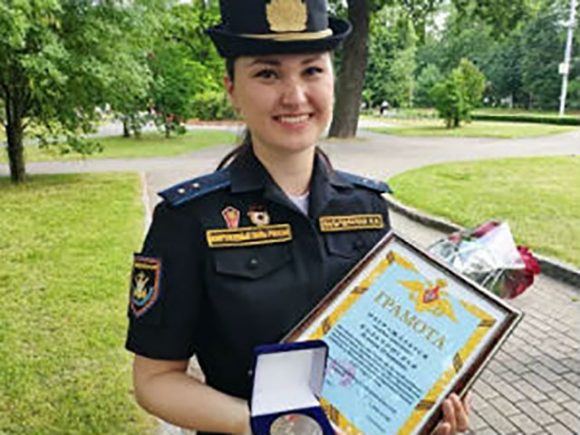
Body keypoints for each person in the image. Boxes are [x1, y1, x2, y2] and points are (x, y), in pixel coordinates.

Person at [125, 1, 470, 434]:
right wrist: (268, 426)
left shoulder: (367, 208)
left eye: (312, 70)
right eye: (267, 74)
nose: (295, 96)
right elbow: (155, 381)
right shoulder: (188, 219)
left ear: (333, 79)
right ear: (232, 89)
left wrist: (423, 411)